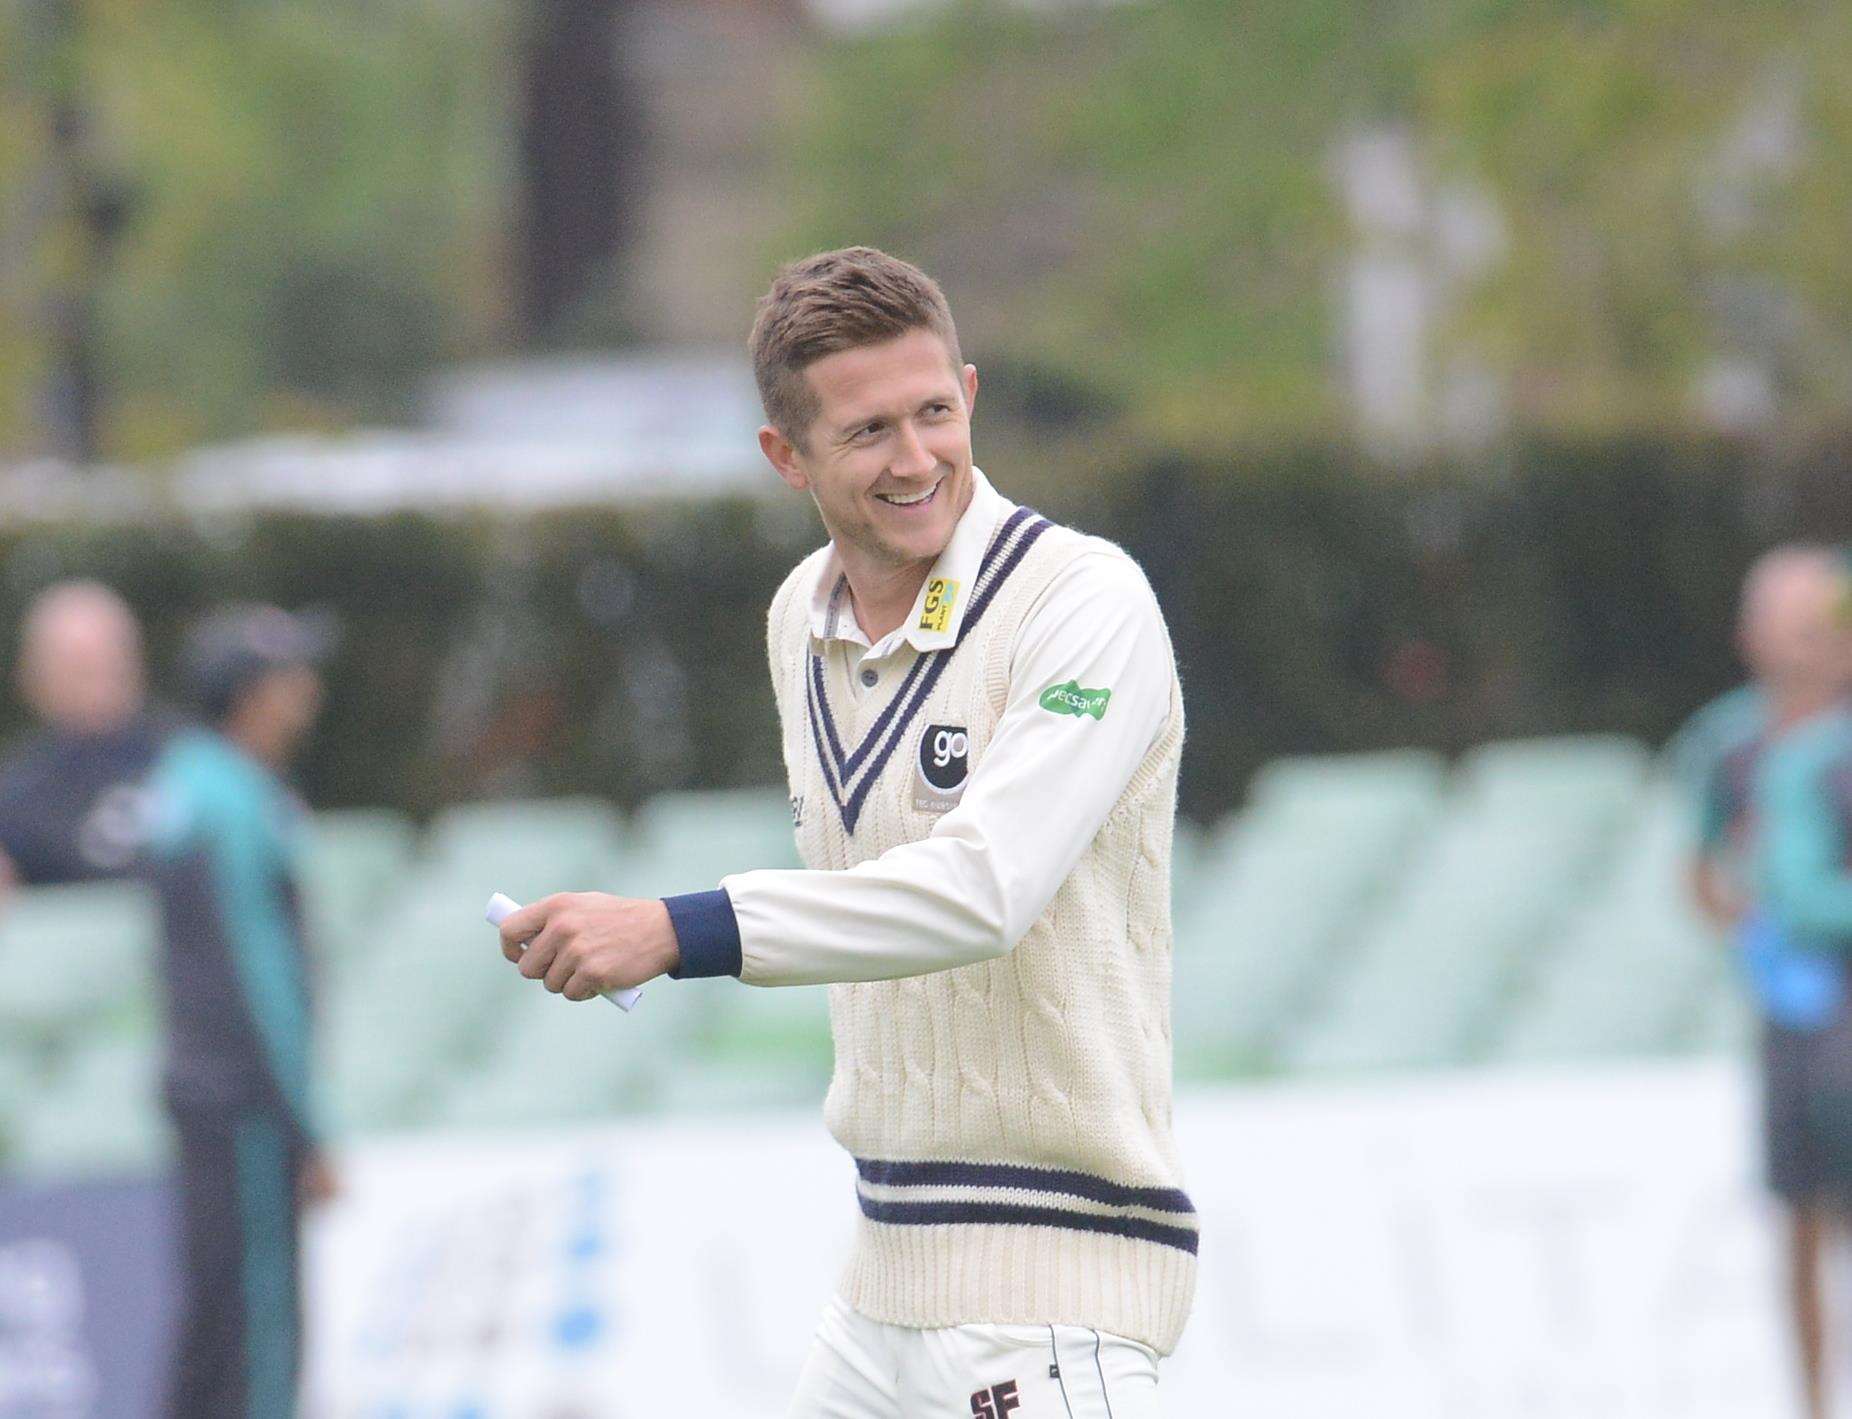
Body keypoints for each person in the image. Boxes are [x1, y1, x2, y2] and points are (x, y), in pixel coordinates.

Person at [497, 246, 1192, 1416]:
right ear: (788, 457)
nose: (916, 459)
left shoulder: (1087, 601)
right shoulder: (796, 619)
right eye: (869, 432)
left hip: (1055, 1281)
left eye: (933, 413)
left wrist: (681, 928)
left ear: (968, 395)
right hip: (883, 1283)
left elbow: (983, 890)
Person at [144, 605, 335, 1419]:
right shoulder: (232, 801)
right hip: (247, 1105)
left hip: (208, 1095)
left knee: (216, 1320)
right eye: (292, 676)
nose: (310, 691)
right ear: (254, 695)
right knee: (258, 1333)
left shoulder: (187, 784)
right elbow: (257, 979)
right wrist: (304, 1124)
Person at [1685, 545, 1852, 1419]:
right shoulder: (1731, 746)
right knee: (1799, 1215)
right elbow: (1702, 867)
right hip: (1793, 1020)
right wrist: (1749, 929)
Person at [0, 580, 174, 890]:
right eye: (79, 667)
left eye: (109, 659)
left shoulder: (197, 758)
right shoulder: (16, 793)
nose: (98, 682)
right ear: (33, 677)